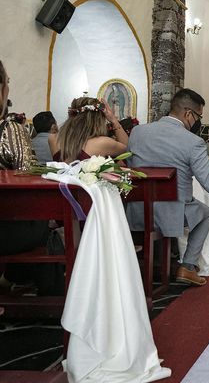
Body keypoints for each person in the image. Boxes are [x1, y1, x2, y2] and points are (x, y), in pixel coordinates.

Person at [126, 89, 209, 286]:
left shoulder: (138, 132)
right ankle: (188, 266)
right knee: (206, 213)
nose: (198, 121)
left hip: (136, 210)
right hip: (172, 213)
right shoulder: (193, 142)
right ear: (188, 114)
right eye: (199, 116)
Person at [0, 60, 50, 290]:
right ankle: (21, 281)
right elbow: (28, 174)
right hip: (6, 228)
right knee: (45, 228)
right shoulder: (10, 130)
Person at [52, 97, 128, 162]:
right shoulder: (102, 143)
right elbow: (128, 151)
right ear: (98, 120)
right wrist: (114, 120)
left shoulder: (53, 139)